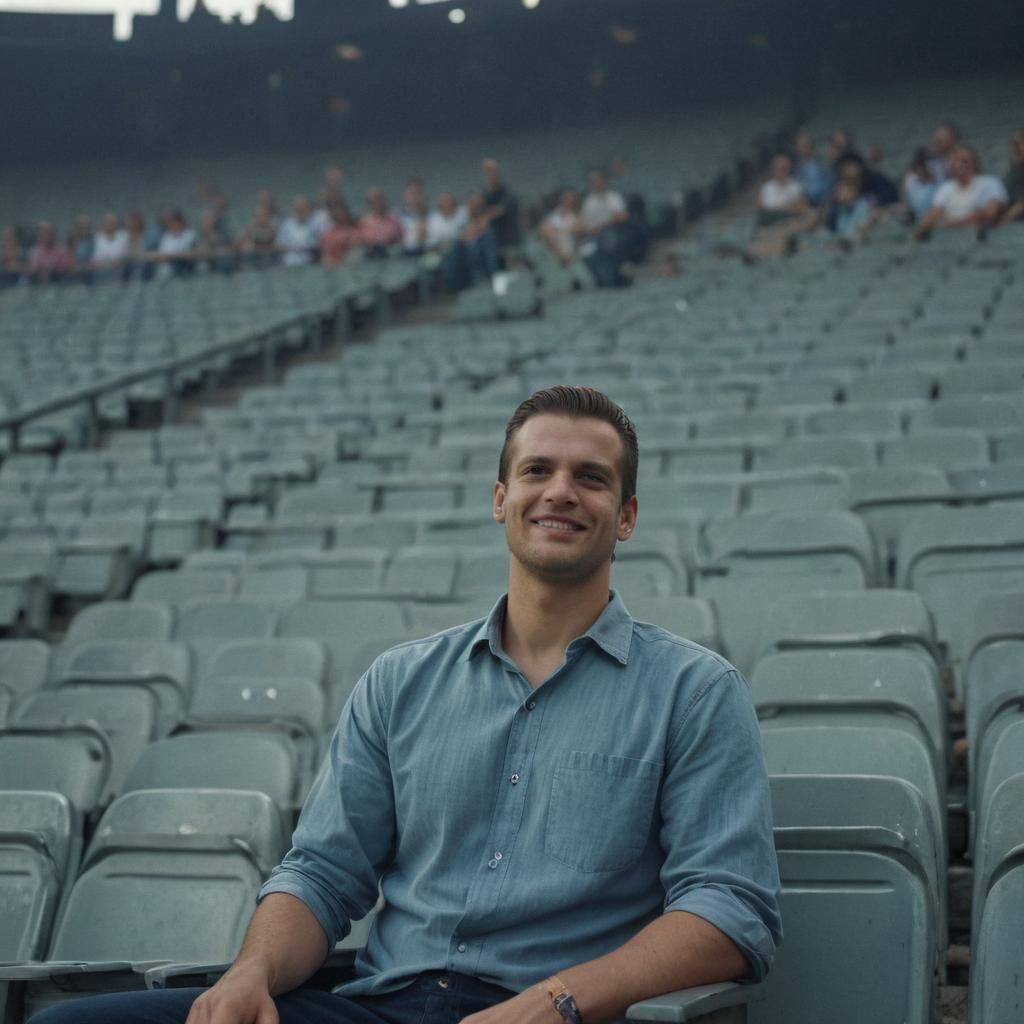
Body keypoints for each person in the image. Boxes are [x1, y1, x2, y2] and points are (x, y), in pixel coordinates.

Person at [34, 385, 781, 1024]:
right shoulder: (400, 681)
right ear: (501, 499)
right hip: (380, 1003)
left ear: (625, 516)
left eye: (590, 478)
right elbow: (323, 874)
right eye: (536, 471)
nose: (559, 491)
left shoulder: (695, 692)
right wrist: (251, 971)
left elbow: (727, 911)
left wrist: (559, 999)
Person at [913, 144, 1008, 240]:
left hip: (981, 239)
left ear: (974, 163)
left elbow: (989, 213)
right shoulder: (946, 188)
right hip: (951, 240)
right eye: (956, 161)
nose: (960, 165)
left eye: (965, 161)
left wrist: (952, 223)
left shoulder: (991, 182)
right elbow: (934, 214)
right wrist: (921, 228)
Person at [579, 169, 629, 287]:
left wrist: (602, 224)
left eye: (599, 181)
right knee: (587, 251)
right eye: (594, 182)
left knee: (608, 241)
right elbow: (584, 220)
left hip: (611, 231)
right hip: (592, 234)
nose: (597, 184)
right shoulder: (589, 201)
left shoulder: (613, 197)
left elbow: (622, 217)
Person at [425, 191, 469, 291]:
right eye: (444, 202)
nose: (448, 205)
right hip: (442, 250)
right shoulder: (434, 219)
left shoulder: (463, 213)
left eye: (449, 202)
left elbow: (469, 230)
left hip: (463, 247)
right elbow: (431, 243)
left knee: (457, 247)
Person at [461, 191, 500, 283]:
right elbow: (465, 236)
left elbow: (483, 228)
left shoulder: (485, 217)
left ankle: (492, 277)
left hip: (481, 250)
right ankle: (489, 277)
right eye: (474, 203)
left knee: (487, 240)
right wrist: (476, 230)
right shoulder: (462, 215)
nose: (476, 207)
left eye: (478, 204)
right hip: (465, 251)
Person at [481, 157, 520, 250]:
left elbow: (499, 211)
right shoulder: (482, 194)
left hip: (504, 236)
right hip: (485, 237)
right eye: (488, 171)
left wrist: (489, 214)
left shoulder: (508, 194)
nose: (491, 174)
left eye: (493, 170)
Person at [538, 188, 583, 265]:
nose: (568, 202)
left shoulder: (575, 216)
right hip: (555, 252)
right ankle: (561, 257)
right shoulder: (553, 216)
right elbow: (543, 231)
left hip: (570, 250)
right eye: (566, 199)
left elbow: (579, 229)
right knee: (549, 235)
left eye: (571, 200)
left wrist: (560, 230)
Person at [277, 195, 321, 267]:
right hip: (288, 264)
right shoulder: (287, 224)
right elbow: (279, 244)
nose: (300, 210)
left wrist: (295, 247)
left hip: (308, 264)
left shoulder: (316, 224)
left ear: (309, 209)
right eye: (297, 208)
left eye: (303, 208)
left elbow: (317, 245)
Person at [358, 187, 402, 258]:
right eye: (372, 201)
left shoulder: (394, 220)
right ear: (368, 203)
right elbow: (361, 241)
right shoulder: (363, 222)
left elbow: (399, 239)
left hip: (390, 255)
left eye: (379, 199)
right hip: (370, 255)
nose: (377, 203)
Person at [320, 200, 362, 267]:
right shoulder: (328, 232)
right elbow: (325, 249)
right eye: (336, 212)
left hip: (346, 264)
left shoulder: (353, 231)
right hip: (330, 264)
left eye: (341, 212)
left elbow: (354, 247)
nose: (338, 215)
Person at [901, 148, 939, 222]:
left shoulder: (934, 178)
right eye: (920, 164)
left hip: (933, 216)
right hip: (915, 216)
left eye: (924, 164)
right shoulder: (910, 178)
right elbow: (904, 198)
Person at [91, 210, 131, 281]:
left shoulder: (124, 235)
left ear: (116, 223)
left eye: (112, 222)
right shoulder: (97, 238)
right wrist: (111, 263)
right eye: (107, 222)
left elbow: (127, 256)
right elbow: (96, 260)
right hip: (102, 274)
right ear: (103, 223)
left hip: (121, 273)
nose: (110, 224)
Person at [793, 133, 829, 207]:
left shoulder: (817, 168)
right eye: (798, 146)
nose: (800, 149)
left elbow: (817, 191)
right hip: (796, 204)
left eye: (804, 146)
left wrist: (802, 195)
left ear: (811, 149)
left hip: (813, 205)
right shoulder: (797, 167)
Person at [397, 178, 428, 257]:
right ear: (404, 195)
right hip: (401, 254)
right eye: (411, 193)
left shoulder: (431, 217)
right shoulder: (394, 216)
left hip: (423, 253)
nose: (414, 197)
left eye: (417, 193)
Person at [1000, 129, 1024, 226]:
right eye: (1015, 146)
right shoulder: (1014, 171)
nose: (1016, 149)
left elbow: (1021, 204)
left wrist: (1002, 220)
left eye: (1018, 145)